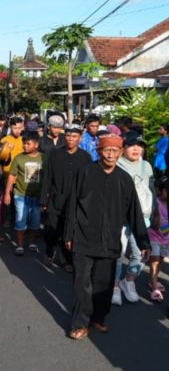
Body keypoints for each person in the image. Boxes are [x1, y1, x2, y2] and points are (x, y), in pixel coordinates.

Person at [64, 134, 151, 340]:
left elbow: (134, 213)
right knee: (82, 283)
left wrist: (143, 242)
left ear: (121, 153)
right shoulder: (84, 172)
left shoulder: (124, 179)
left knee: (104, 283)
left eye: (115, 151)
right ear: (98, 151)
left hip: (110, 240)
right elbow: (72, 205)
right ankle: (80, 322)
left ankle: (98, 318)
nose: (111, 155)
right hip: (83, 237)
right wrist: (69, 234)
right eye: (106, 150)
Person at [112, 130, 156, 305]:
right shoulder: (116, 164)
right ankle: (114, 284)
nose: (136, 149)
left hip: (143, 217)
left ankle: (129, 280)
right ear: (123, 148)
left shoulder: (147, 166)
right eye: (131, 145)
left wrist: (155, 214)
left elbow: (151, 191)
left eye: (140, 145)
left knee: (139, 253)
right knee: (117, 252)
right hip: (120, 217)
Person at [40, 123, 91, 272]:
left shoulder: (85, 157)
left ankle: (65, 259)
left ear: (80, 138)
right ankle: (50, 251)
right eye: (68, 135)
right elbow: (47, 177)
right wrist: (44, 199)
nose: (70, 139)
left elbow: (88, 182)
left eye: (74, 136)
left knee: (68, 232)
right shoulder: (55, 154)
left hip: (75, 203)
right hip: (56, 200)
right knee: (51, 231)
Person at [4, 130, 47, 255]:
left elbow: (47, 178)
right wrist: (7, 193)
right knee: (20, 219)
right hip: (20, 195)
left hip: (37, 196)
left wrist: (47, 194)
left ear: (36, 144)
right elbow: (12, 175)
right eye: (24, 143)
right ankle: (20, 244)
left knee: (35, 221)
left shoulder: (44, 158)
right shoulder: (19, 158)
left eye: (28, 143)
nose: (25, 146)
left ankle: (32, 242)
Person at [149, 176, 169, 301]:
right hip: (154, 236)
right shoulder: (155, 203)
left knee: (161, 260)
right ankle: (154, 287)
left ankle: (153, 280)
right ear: (160, 190)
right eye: (166, 190)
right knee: (155, 260)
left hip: (166, 238)